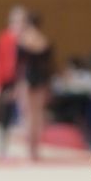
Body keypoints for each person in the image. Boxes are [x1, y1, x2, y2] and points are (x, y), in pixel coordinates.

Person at [0, 5, 28, 157]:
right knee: (5, 112)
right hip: (7, 80)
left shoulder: (28, 39)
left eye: (22, 21)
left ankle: (27, 145)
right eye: (16, 21)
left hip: (24, 80)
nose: (19, 24)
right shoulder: (3, 38)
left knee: (25, 112)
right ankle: (2, 144)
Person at [16, 12, 53, 162]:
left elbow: (20, 64)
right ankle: (35, 149)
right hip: (41, 78)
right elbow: (49, 63)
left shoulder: (24, 39)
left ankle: (30, 150)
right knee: (37, 115)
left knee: (28, 115)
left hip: (29, 78)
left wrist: (18, 83)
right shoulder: (43, 40)